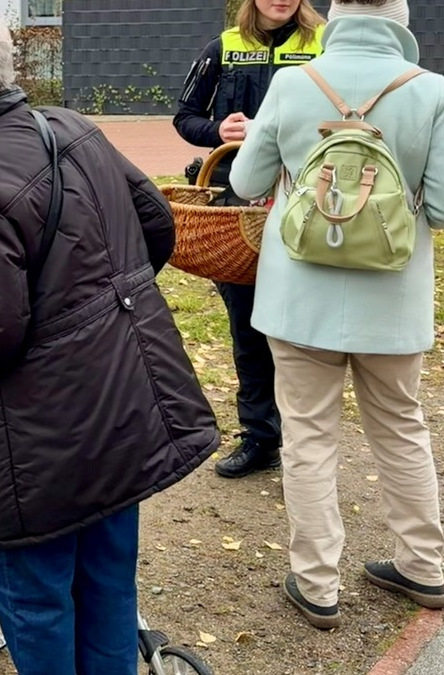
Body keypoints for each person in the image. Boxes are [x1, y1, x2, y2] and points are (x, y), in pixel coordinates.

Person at [0, 3, 220, 673]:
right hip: (125, 393)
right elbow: (156, 224)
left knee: (35, 593)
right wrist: (97, 306)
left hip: (43, 431)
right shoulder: (70, 126)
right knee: (108, 578)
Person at [229, 0, 444, 630]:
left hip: (299, 298)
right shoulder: (429, 89)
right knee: (401, 427)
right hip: (392, 300)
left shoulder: (294, 82)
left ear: (336, 15)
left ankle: (317, 585)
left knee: (308, 436)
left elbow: (246, 180)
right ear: (401, 18)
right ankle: (422, 566)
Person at [173, 0, 326, 479]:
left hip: (308, 199)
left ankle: (306, 443)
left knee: (304, 327)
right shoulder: (222, 48)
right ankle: (260, 436)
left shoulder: (324, 44)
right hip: (238, 204)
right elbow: (185, 116)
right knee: (247, 322)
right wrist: (216, 129)